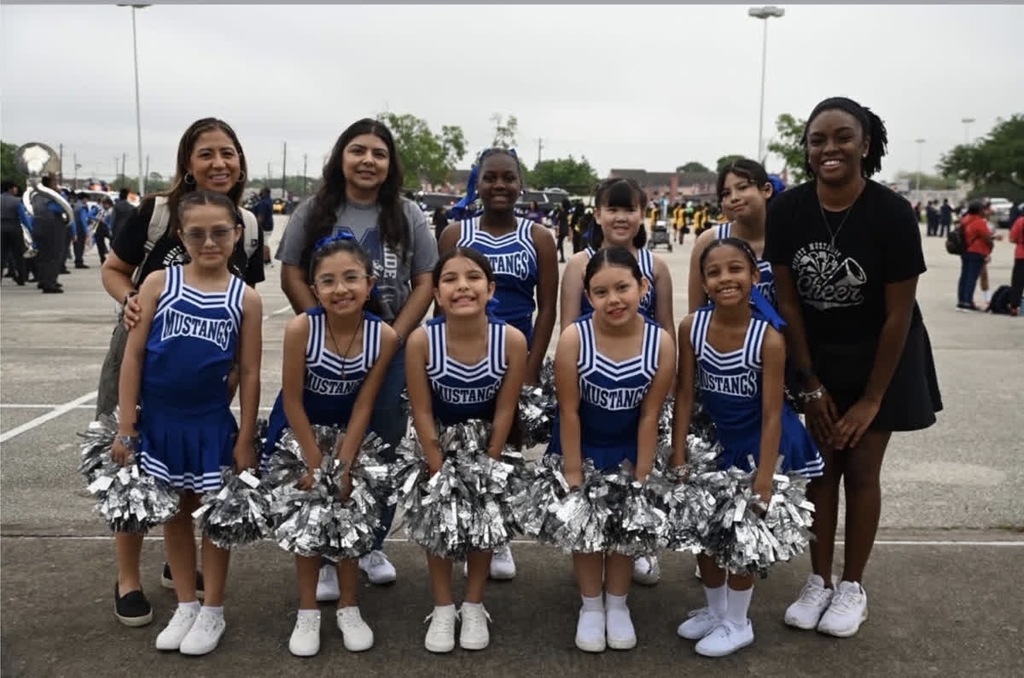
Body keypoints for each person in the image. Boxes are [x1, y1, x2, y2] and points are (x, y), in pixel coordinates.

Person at [765, 96, 942, 638]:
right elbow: (789, 302)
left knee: (862, 468)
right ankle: (818, 580)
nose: (829, 148)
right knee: (821, 472)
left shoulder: (890, 212)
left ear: (866, 144)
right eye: (818, 140)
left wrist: (870, 400)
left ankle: (852, 587)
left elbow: (897, 315)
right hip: (816, 354)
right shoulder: (789, 209)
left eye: (843, 137)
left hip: (883, 355)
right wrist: (810, 384)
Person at [98, 117, 266, 628]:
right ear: (187, 163)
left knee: (188, 481)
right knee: (133, 474)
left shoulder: (251, 225)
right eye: (207, 153)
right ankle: (128, 577)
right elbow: (113, 269)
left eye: (228, 153)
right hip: (142, 354)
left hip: (206, 380)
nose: (219, 163)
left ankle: (185, 576)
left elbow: (242, 315)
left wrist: (232, 379)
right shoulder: (155, 212)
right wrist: (131, 301)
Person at [275, 117, 439, 594]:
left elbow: (426, 280)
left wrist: (389, 337)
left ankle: (369, 542)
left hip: (389, 352)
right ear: (341, 157)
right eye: (358, 150)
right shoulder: (316, 210)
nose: (369, 160)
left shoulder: (406, 214)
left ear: (390, 165)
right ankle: (325, 550)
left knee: (380, 447)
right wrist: (321, 329)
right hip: (324, 352)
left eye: (379, 153)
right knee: (324, 444)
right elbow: (291, 272)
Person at [672, 237, 823, 657]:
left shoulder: (769, 338)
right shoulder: (692, 327)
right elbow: (685, 393)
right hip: (717, 443)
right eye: (714, 272)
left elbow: (773, 412)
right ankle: (716, 611)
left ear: (755, 277)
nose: (725, 278)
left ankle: (739, 622)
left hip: (763, 447)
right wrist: (679, 450)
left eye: (736, 269)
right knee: (704, 530)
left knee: (742, 537)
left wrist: (764, 478)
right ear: (703, 281)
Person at [263, 235, 398, 657]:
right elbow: (291, 398)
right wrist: (314, 461)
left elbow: (364, 404)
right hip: (299, 434)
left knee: (349, 516)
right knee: (309, 520)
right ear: (314, 288)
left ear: (370, 283)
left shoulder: (385, 336)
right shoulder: (302, 327)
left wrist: (343, 464)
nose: (341, 289)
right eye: (328, 281)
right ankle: (307, 612)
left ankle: (348, 605)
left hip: (349, 435)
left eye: (351, 278)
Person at [437, 148, 558, 579]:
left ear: (521, 183)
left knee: (504, 448)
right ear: (478, 183)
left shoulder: (539, 237)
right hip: (462, 351)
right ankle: (453, 528)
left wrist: (529, 367)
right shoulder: (456, 232)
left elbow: (547, 308)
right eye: (491, 178)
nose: (500, 185)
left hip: (513, 356)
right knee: (458, 443)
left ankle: (497, 535)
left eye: (509, 177)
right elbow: (443, 293)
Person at [552, 246, 674, 653]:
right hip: (583, 446)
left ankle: (618, 604)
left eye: (623, 287)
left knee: (623, 530)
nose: (614, 300)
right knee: (587, 533)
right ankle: (590, 606)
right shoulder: (574, 338)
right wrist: (573, 472)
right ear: (589, 297)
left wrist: (641, 474)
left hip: (628, 448)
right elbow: (568, 410)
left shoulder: (661, 342)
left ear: (643, 286)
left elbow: (649, 415)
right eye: (601, 292)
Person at [405, 247, 527, 653]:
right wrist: (437, 467)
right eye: (451, 279)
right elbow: (421, 408)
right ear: (436, 293)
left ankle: (473, 604)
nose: (463, 287)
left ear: (491, 289)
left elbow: (507, 407)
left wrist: (490, 463)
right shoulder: (422, 340)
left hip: (488, 445)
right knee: (439, 526)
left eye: (473, 278)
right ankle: (443, 606)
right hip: (437, 443)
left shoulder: (511, 340)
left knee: (483, 524)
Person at [557, 177, 674, 586]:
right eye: (613, 208)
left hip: (642, 374)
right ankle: (592, 551)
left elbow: (665, 325)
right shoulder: (578, 264)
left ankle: (639, 546)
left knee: (638, 470)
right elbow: (568, 323)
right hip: (593, 373)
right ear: (598, 214)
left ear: (643, 213)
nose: (621, 217)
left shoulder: (654, 266)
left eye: (630, 209)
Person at [688, 159, 777, 315]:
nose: (734, 198)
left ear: (767, 190)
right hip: (722, 338)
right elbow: (695, 314)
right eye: (726, 193)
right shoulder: (710, 241)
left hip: (779, 338)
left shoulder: (788, 236)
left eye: (742, 187)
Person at [956, 200, 998, 311]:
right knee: (971, 278)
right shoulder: (979, 222)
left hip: (965, 251)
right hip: (977, 251)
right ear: (979, 210)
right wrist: (991, 247)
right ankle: (967, 302)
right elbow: (987, 237)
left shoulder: (964, 220)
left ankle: (961, 301)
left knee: (964, 276)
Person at [30, 173, 67, 293]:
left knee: (42, 257)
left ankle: (43, 280)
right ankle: (49, 283)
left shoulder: (36, 196)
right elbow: (62, 208)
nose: (56, 184)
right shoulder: (52, 197)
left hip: (38, 227)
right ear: (50, 184)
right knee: (53, 256)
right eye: (54, 182)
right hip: (52, 229)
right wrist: (59, 193)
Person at [1, 180, 31, 286]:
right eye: (15, 187)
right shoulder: (17, 201)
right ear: (10, 189)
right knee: (19, 255)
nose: (16, 189)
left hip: (1, 230)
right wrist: (31, 230)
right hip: (15, 230)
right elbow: (24, 218)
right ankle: (21, 277)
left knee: (2, 255)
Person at [1009, 210, 1024, 316]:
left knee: (1017, 283)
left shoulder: (1020, 221)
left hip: (1021, 255)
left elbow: (1012, 238)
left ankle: (1014, 307)